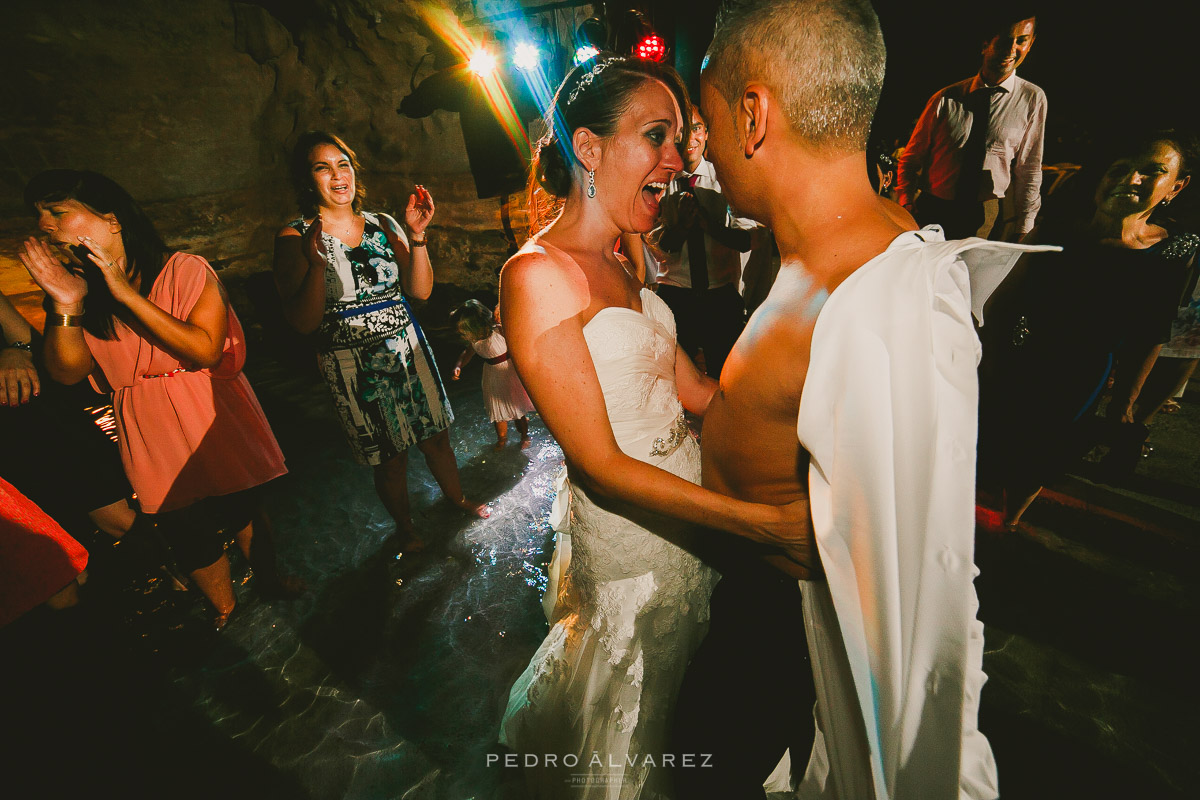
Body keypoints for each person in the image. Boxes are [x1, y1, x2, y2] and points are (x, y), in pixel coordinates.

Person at [690, 1, 1060, 797]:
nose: (703, 144)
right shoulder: (833, 252)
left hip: (772, 654)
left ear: (752, 115)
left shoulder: (869, 304)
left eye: (704, 114)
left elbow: (918, 607)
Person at [496, 54, 811, 798]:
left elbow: (699, 392)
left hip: (694, 513)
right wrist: (759, 524)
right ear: (591, 148)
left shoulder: (624, 259)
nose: (677, 159)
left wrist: (807, 396)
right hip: (633, 536)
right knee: (635, 713)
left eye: (678, 138)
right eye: (658, 136)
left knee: (693, 706)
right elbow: (600, 464)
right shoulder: (536, 276)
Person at [20, 169, 293, 630]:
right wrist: (66, 305)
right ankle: (226, 608)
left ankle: (270, 579)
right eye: (40, 215)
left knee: (240, 507)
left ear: (111, 219)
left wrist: (125, 293)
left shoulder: (184, 268)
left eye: (57, 211)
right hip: (144, 416)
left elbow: (204, 348)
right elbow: (67, 373)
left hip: (205, 402)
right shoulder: (80, 289)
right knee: (183, 524)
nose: (45, 225)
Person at [272, 132, 486, 553]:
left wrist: (417, 234)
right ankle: (406, 527)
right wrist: (317, 267)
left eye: (343, 164)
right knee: (390, 457)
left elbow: (420, 291)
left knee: (436, 436)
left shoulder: (383, 224)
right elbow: (302, 322)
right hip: (351, 363)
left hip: (408, 347)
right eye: (323, 167)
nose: (338, 176)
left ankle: (456, 498)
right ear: (307, 179)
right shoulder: (293, 237)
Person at [979, 129, 1197, 524]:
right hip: (1017, 357)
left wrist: (1124, 408)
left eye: (1153, 172)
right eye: (1121, 169)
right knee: (986, 446)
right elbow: (1003, 302)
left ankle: (1007, 526)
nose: (1132, 179)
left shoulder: (1172, 251)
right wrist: (988, 361)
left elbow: (1152, 332)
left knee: (1041, 459)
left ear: (1176, 187)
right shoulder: (1060, 230)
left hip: (1082, 378)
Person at [897, 11, 1046, 241]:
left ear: (1031, 43)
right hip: (931, 210)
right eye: (1005, 40)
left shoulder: (1032, 99)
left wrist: (1024, 229)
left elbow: (1029, 169)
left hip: (986, 215)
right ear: (985, 43)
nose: (1011, 50)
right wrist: (906, 204)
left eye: (1021, 41)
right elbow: (910, 159)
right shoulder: (946, 98)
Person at [1, 290, 135, 543]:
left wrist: (17, 351)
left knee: (118, 517)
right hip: (10, 452)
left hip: (42, 416)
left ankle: (187, 572)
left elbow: (30, 343)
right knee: (47, 541)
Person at [649, 106, 757, 378]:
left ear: (706, 133)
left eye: (696, 128)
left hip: (718, 294)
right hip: (676, 292)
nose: (691, 139)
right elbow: (661, 245)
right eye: (683, 132)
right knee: (673, 379)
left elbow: (745, 240)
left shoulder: (727, 179)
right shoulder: (662, 181)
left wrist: (708, 224)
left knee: (727, 377)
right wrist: (683, 227)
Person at [449, 299, 534, 450]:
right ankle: (502, 439)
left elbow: (519, 341)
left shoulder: (499, 330)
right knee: (498, 409)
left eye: (464, 332)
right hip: (492, 376)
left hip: (509, 372)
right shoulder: (475, 340)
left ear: (474, 327)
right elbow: (467, 353)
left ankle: (524, 435)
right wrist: (458, 365)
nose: (463, 336)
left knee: (517, 410)